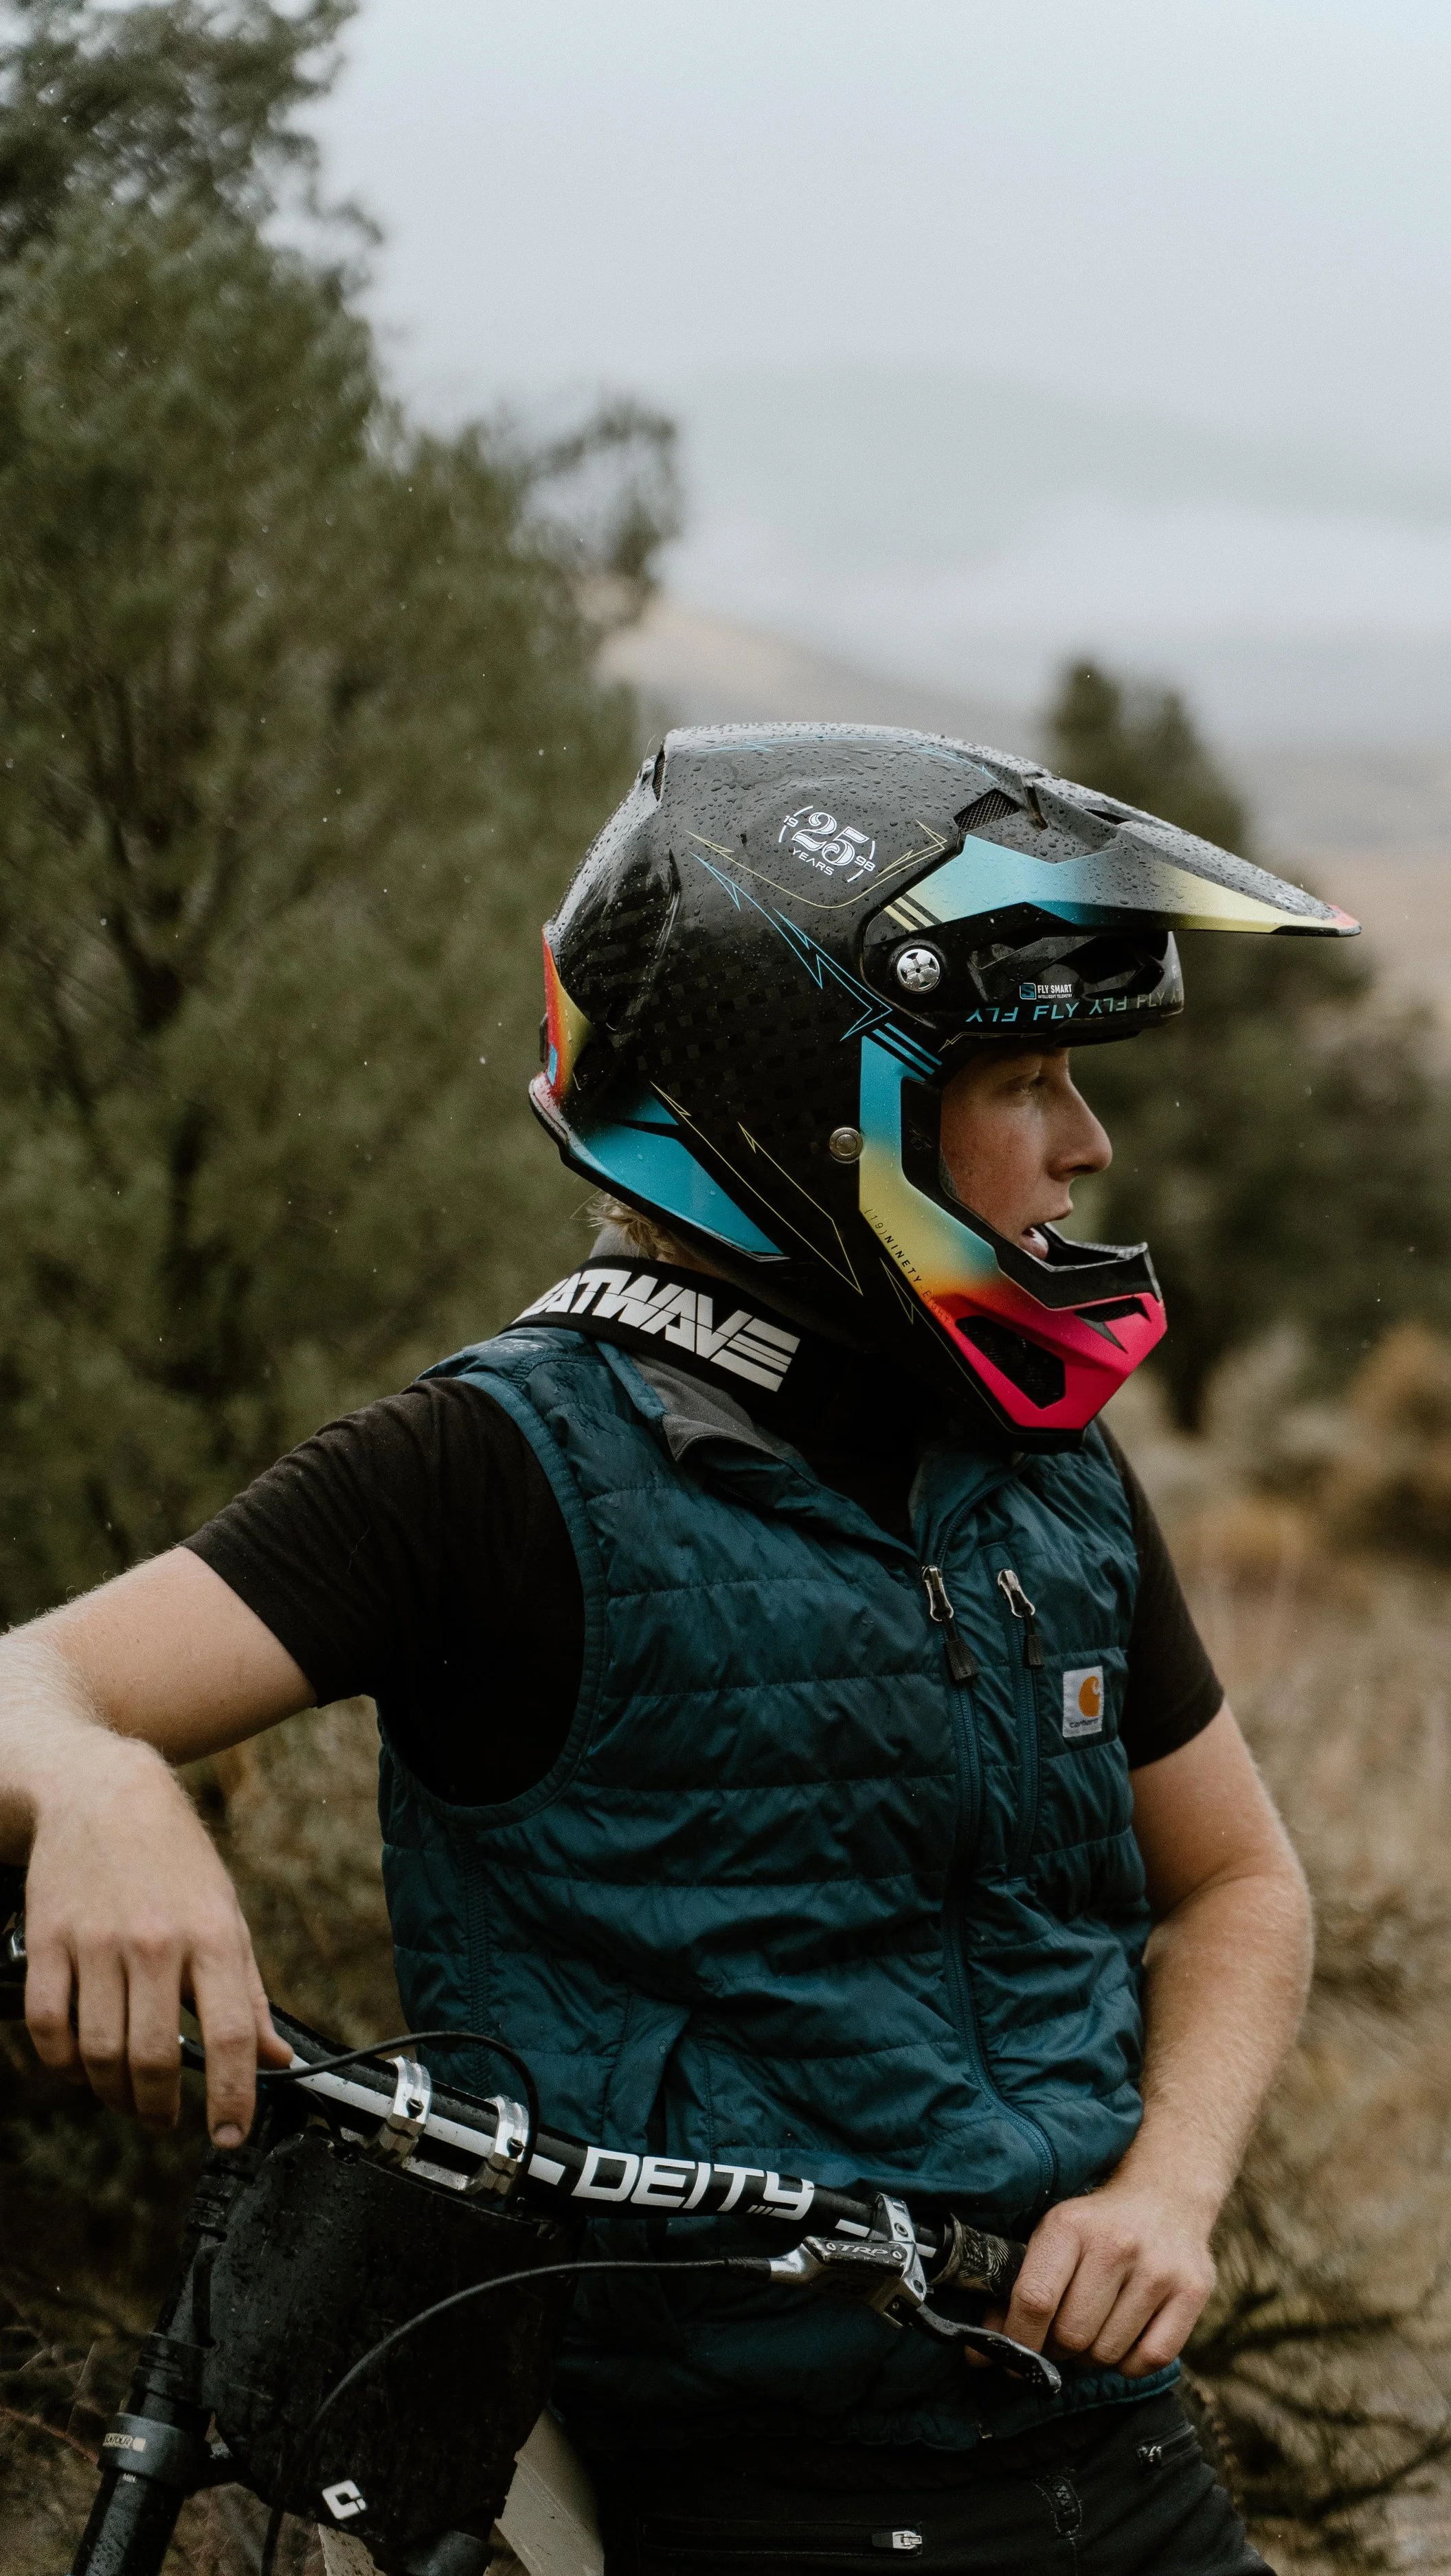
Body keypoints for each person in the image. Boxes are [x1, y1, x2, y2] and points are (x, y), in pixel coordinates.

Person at [0, 723, 1357, 2573]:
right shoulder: (488, 1468)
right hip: (718, 2490)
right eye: (1023, 1074)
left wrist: (1166, 2195)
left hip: (1108, 2456)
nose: (1084, 1141)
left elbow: (1238, 1886)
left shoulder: (1043, 1464)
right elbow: (30, 1676)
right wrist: (90, 1775)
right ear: (817, 1105)